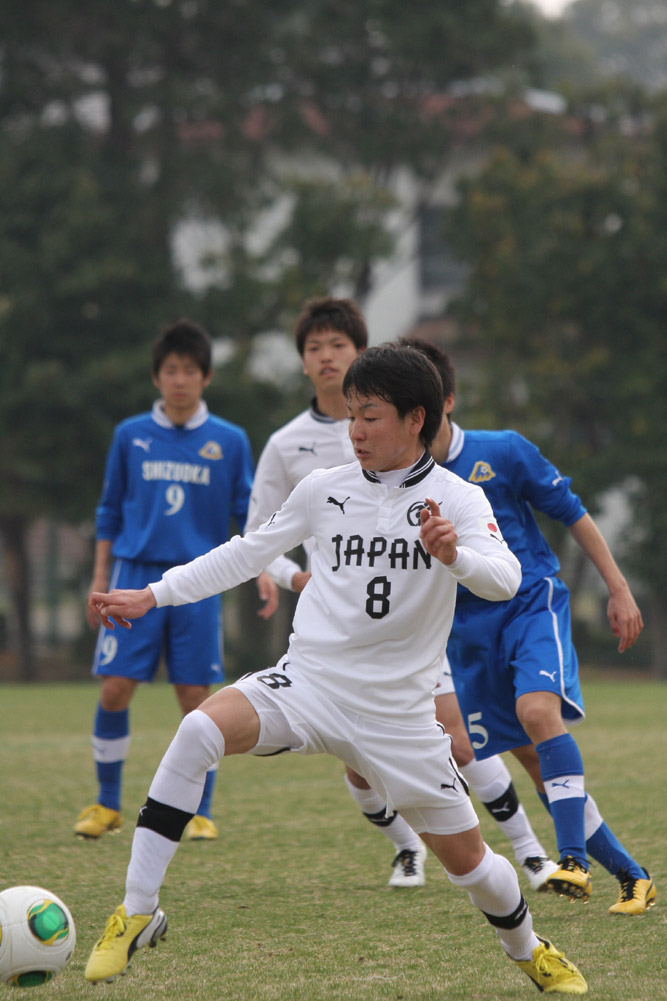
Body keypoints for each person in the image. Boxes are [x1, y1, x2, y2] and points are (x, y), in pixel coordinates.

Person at [84, 344, 587, 994]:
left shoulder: (456, 499)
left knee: (473, 866)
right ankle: (136, 910)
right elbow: (245, 553)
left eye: (369, 416)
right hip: (308, 683)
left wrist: (454, 554)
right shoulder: (323, 488)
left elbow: (506, 576)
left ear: (414, 418)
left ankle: (527, 948)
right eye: (350, 414)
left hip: (399, 717)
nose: (353, 430)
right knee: (198, 731)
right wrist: (152, 594)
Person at [248, 296, 558, 891]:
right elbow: (258, 536)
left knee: (460, 741)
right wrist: (296, 579)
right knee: (360, 770)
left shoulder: (393, 422)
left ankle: (530, 852)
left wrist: (455, 552)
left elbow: (449, 508)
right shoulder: (288, 445)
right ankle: (406, 848)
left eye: (339, 345)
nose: (327, 356)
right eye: (315, 348)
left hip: (410, 626)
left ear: (360, 354)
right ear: (303, 363)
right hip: (339, 635)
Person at [400, 335, 656, 917]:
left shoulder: (504, 451)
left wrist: (618, 588)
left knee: (539, 714)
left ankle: (573, 859)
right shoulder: (402, 484)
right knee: (536, 759)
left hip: (528, 603)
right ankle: (633, 875)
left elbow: (574, 513)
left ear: (446, 403)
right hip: (464, 635)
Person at [74, 318, 276, 843]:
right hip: (132, 574)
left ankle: (200, 811)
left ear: (206, 377)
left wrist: (264, 571)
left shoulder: (229, 441)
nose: (180, 379)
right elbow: (108, 511)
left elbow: (248, 515)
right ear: (156, 377)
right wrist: (99, 576)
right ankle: (105, 803)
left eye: (190, 370)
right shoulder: (130, 435)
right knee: (116, 688)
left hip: (196, 583)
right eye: (170, 370)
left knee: (196, 698)